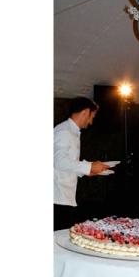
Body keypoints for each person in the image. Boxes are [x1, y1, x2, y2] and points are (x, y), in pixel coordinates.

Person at [54, 97, 110, 230]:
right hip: (58, 197)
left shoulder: (70, 131)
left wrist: (89, 170)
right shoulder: (65, 131)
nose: (91, 122)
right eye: (93, 116)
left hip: (63, 197)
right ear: (85, 112)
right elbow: (59, 161)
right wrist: (89, 167)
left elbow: (67, 163)